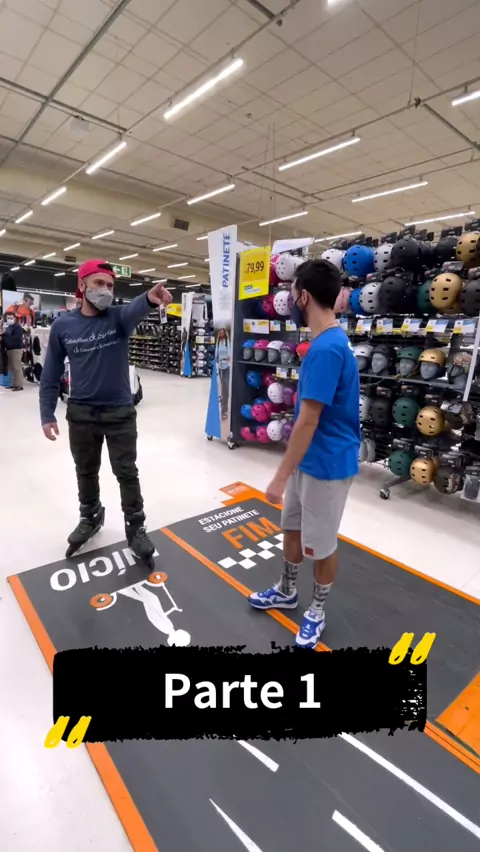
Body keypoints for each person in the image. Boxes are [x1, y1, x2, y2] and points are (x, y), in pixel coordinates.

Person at [248, 258, 361, 650]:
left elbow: (309, 420)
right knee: (292, 528)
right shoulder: (328, 341)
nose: (290, 299)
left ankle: (317, 610)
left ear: (304, 297)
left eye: (292, 291)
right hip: (308, 460)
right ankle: (287, 590)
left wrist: (280, 475)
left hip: (326, 463)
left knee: (322, 546)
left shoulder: (326, 349)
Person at [39, 260, 172, 563]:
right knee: (85, 470)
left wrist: (150, 298)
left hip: (119, 412)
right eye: (99, 283)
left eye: (110, 285)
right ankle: (90, 516)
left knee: (126, 472)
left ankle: (136, 527)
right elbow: (50, 374)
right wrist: (47, 413)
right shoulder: (63, 326)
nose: (106, 290)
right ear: (82, 285)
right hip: (81, 412)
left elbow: (135, 309)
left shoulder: (118, 319)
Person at [2, 314, 24, 391]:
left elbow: (16, 338)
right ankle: (13, 384)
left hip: (16, 349)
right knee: (11, 368)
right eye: (8, 318)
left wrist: (4, 336)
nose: (9, 319)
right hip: (9, 349)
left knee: (16, 367)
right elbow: (6, 336)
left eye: (11, 318)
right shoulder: (8, 327)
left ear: (14, 318)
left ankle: (19, 385)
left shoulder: (18, 327)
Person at [215, 327, 231, 419]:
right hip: (219, 366)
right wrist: (216, 359)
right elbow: (216, 353)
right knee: (220, 388)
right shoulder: (217, 342)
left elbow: (229, 353)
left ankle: (225, 409)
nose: (221, 333)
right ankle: (221, 409)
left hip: (226, 367)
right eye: (220, 332)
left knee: (226, 387)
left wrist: (228, 358)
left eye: (222, 332)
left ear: (224, 333)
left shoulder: (227, 342)